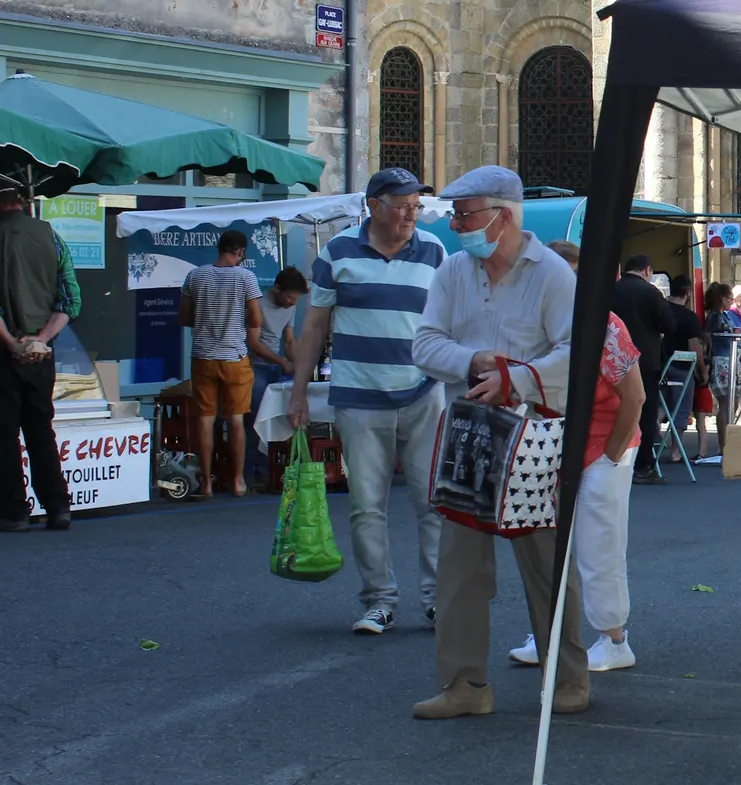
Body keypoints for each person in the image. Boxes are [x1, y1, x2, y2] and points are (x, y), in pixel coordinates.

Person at [411, 165, 589, 719]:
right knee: (459, 567)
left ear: (502, 216)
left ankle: (567, 680)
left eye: (465, 214)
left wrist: (514, 376)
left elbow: (576, 351)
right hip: (469, 434)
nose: (458, 224)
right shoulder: (454, 271)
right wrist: (473, 360)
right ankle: (464, 685)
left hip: (533, 437)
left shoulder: (555, 274)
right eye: (457, 214)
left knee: (546, 563)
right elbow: (424, 344)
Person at [291, 167, 449, 636]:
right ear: (374, 206)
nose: (410, 215)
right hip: (359, 396)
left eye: (415, 206)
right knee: (366, 505)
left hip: (423, 393)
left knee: (433, 502)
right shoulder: (337, 252)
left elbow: (448, 321)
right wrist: (299, 391)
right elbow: (314, 326)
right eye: (401, 205)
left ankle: (438, 599)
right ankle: (379, 601)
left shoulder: (435, 251)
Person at [510, 311, 645, 672]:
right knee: (546, 546)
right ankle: (550, 636)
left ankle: (615, 640)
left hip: (602, 445)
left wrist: (613, 455)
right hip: (551, 444)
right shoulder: (533, 318)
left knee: (600, 545)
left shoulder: (606, 325)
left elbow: (635, 397)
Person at [0, 185, 79, 532]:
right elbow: (70, 302)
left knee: (4, 433)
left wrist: (14, 344)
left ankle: (15, 511)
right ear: (23, 200)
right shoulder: (53, 238)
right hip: (42, 353)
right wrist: (41, 340)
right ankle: (57, 505)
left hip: (4, 352)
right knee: (40, 429)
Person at [180, 229, 263, 499]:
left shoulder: (195, 275)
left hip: (202, 356)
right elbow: (256, 319)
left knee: (205, 420)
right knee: (236, 420)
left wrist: (206, 319)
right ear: (240, 251)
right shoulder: (246, 278)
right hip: (234, 357)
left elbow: (184, 317)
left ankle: (205, 483)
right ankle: (238, 481)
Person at [611, 254, 675, 484]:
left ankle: (614, 458)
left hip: (613, 358)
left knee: (614, 408)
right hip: (645, 359)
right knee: (644, 411)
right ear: (647, 270)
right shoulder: (650, 292)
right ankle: (643, 465)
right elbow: (669, 324)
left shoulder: (612, 290)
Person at [244, 267, 308, 485]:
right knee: (256, 414)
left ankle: (280, 468)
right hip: (255, 366)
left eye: (296, 299)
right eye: (290, 297)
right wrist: (282, 361)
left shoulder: (289, 307)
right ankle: (251, 471)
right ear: (277, 288)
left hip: (276, 367)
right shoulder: (258, 303)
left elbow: (289, 341)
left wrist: (299, 364)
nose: (292, 303)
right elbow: (253, 342)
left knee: (290, 409)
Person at [660, 275, 705, 461]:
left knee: (659, 407)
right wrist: (702, 371)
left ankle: (652, 447)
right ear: (688, 293)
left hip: (659, 365)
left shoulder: (661, 310)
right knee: (680, 409)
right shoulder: (689, 317)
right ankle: (676, 451)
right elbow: (695, 348)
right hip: (681, 368)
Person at [703, 281, 741, 455]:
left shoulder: (725, 315)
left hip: (730, 357)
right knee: (725, 402)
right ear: (722, 299)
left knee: (733, 401)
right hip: (721, 359)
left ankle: (728, 439)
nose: (732, 301)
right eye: (730, 298)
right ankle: (723, 445)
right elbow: (708, 337)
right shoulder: (714, 316)